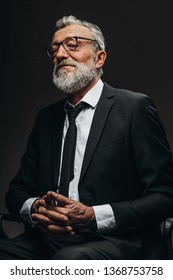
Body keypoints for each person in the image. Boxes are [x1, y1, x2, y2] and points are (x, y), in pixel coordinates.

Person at [0, 15, 173, 260]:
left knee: (70, 262)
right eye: (55, 48)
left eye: (72, 44)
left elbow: (165, 196)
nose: (60, 54)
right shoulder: (46, 118)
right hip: (49, 239)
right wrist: (38, 208)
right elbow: (17, 191)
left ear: (99, 57)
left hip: (118, 240)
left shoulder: (134, 108)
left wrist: (93, 216)